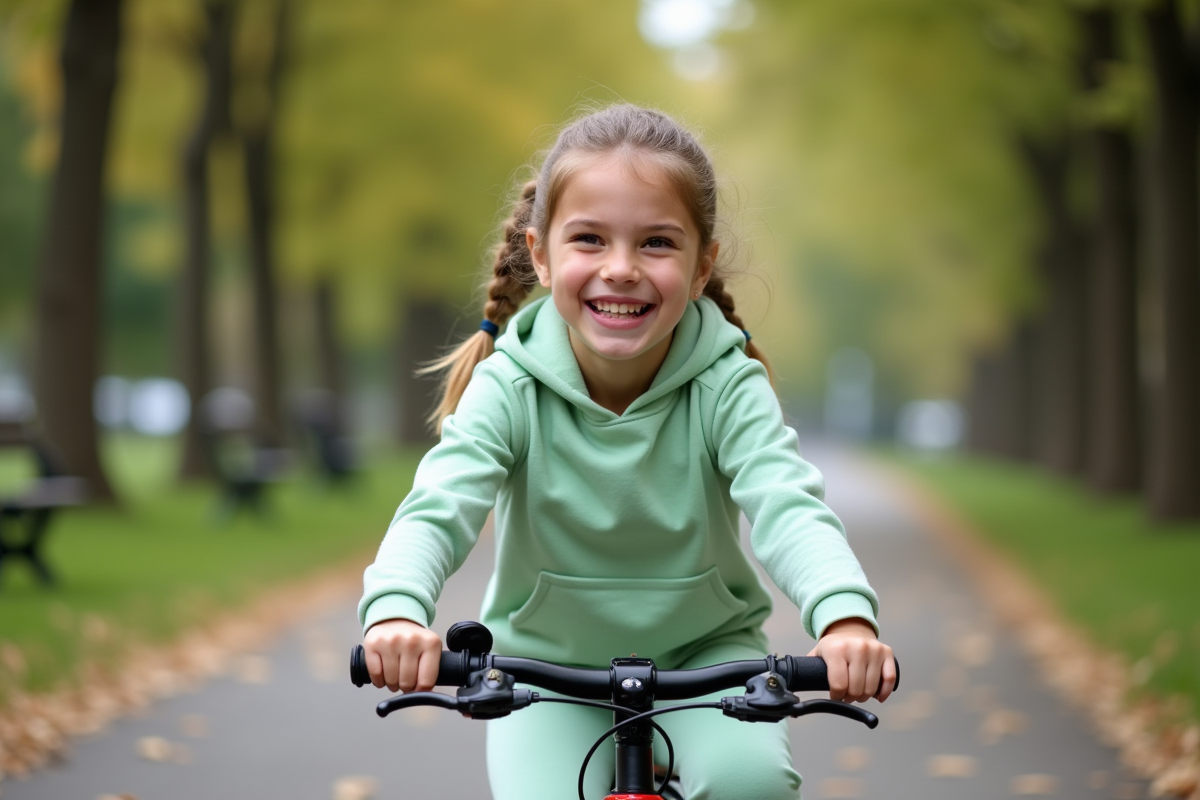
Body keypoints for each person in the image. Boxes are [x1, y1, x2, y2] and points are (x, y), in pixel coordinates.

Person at [359, 104, 895, 800]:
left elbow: (787, 502)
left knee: (751, 781)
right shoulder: (510, 385)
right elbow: (440, 504)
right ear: (542, 257)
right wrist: (396, 612)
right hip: (543, 672)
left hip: (709, 662)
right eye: (589, 239)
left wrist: (844, 619)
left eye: (656, 244)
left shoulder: (725, 383)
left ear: (702, 268)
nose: (621, 269)